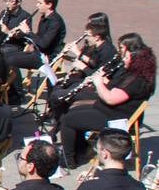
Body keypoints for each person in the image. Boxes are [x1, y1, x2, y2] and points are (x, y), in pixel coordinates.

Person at [58, 33, 155, 168]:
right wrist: (104, 80)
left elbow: (110, 99)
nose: (124, 59)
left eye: (127, 57)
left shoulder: (136, 81)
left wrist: (98, 82)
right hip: (112, 111)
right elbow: (115, 88)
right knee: (74, 109)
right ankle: (80, 150)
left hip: (116, 117)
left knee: (68, 120)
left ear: (137, 61)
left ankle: (68, 160)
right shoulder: (135, 74)